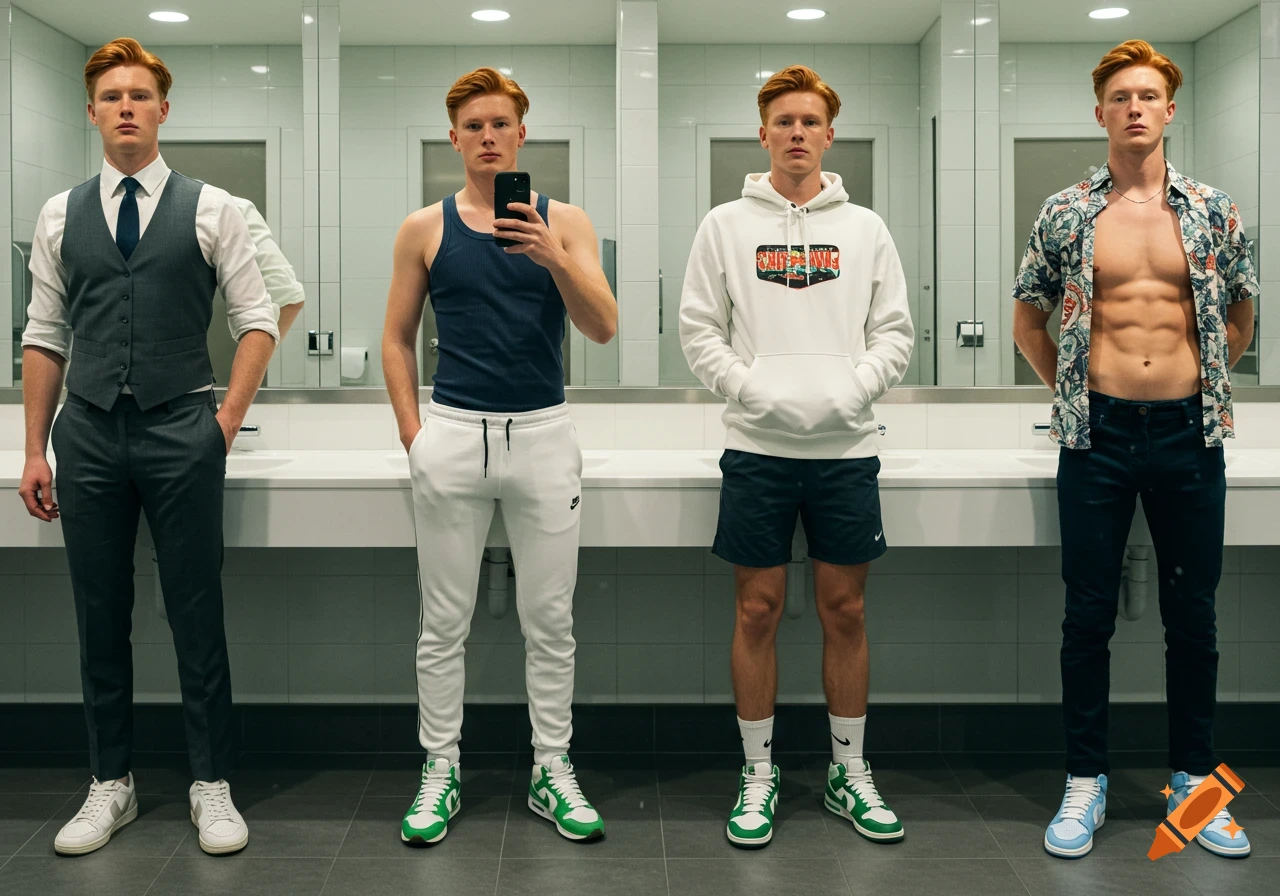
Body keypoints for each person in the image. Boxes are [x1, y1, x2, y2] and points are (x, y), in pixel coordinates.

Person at [17, 38, 279, 857]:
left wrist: (223, 422)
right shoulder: (60, 214)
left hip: (181, 428)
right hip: (87, 433)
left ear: (165, 110)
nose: (126, 107)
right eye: (111, 96)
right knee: (99, 615)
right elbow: (43, 335)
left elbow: (259, 319)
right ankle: (110, 783)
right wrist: (35, 448)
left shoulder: (214, 209)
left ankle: (212, 783)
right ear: (91, 112)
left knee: (195, 611)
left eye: (140, 95)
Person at [1012, 39, 1257, 860]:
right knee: (1086, 618)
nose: (1136, 108)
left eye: (1149, 95)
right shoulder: (1065, 212)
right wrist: (1076, 390)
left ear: (1171, 110)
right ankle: (1086, 779)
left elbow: (1241, 316)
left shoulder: (1215, 210)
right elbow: (1027, 320)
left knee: (1195, 617)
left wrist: (1204, 379)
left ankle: (1194, 785)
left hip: (1190, 433)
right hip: (1100, 436)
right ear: (1101, 113)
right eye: (1121, 97)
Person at [679, 64, 914, 849]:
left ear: (830, 133)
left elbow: (896, 334)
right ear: (763, 133)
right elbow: (698, 331)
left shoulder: (866, 229)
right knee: (758, 610)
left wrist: (855, 390)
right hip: (758, 449)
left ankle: (849, 771)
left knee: (845, 610)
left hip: (846, 449)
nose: (798, 134)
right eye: (784, 121)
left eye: (811, 121)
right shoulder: (724, 225)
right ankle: (759, 773)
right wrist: (751, 390)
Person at [381, 67, 617, 845]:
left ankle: (553, 767)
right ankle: (439, 767)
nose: (488, 137)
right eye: (474, 126)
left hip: (543, 437)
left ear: (522, 135)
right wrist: (415, 436)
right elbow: (396, 338)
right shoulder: (425, 228)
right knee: (441, 622)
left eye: (501, 125)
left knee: (550, 620)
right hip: (453, 435)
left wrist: (553, 255)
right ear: (454, 138)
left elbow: (604, 327)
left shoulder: (568, 223)